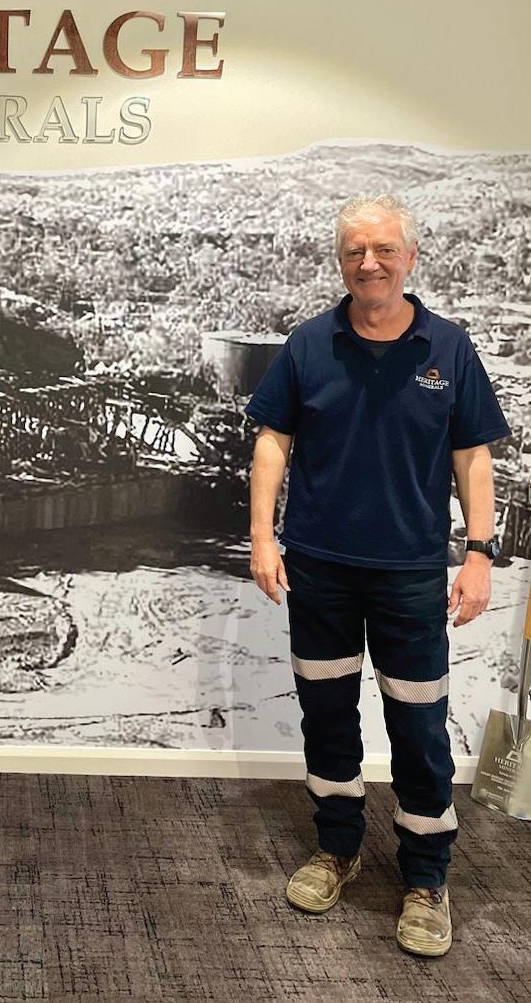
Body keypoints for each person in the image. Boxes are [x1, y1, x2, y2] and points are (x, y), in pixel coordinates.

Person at [245, 194, 510, 957]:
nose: (369, 263)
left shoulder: (447, 347)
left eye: (384, 249)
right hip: (319, 568)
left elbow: (471, 457)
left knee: (419, 729)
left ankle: (425, 878)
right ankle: (337, 848)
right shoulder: (307, 345)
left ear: (409, 258)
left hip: (410, 574)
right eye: (355, 251)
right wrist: (261, 538)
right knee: (326, 716)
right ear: (340, 262)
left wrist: (478, 554)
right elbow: (272, 442)